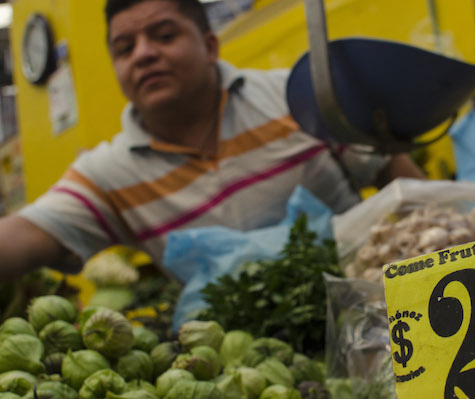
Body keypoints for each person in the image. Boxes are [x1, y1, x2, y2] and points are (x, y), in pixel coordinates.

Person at [0, 0, 424, 282]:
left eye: (164, 36)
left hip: (365, 327)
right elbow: (25, 234)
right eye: (124, 48)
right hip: (239, 383)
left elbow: (403, 181)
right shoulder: (108, 175)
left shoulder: (297, 99)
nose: (143, 54)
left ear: (209, 46)